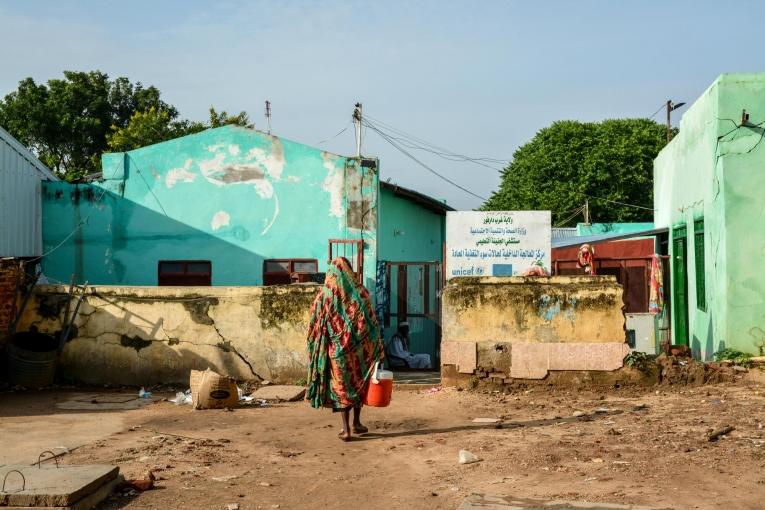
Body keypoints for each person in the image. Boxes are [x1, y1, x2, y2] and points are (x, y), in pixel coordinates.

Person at [305, 257, 385, 441]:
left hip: (337, 352)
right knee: (359, 385)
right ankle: (357, 422)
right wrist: (375, 348)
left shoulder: (325, 295)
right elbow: (372, 324)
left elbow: (314, 321)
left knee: (342, 389)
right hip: (360, 351)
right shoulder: (361, 293)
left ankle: (346, 428)